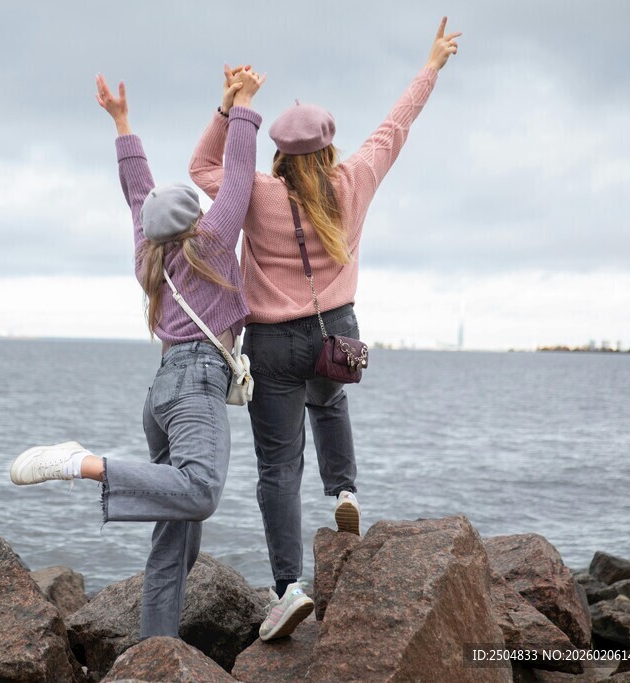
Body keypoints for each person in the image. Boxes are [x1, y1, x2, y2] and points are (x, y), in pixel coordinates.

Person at [188, 18, 461, 641]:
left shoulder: (256, 191)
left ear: (278, 154)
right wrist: (432, 64)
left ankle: (288, 589)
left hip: (273, 341)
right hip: (338, 331)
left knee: (278, 471)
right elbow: (397, 125)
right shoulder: (353, 180)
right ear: (330, 147)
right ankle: (345, 492)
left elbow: (201, 166)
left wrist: (229, 105)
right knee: (330, 399)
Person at [9, 68, 265, 640]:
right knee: (198, 491)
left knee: (175, 536)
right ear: (198, 218)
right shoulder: (214, 242)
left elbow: (135, 189)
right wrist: (243, 107)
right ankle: (84, 463)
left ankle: (157, 651)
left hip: (164, 391)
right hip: (195, 382)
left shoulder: (147, 255)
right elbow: (241, 180)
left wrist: (122, 124)